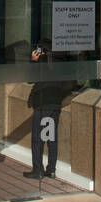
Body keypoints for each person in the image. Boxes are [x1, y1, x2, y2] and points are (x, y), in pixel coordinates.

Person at [25, 45, 74, 180]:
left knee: (37, 139)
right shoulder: (61, 63)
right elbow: (69, 85)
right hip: (55, 104)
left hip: (42, 104)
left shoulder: (43, 63)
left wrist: (33, 61)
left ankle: (37, 170)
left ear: (43, 51)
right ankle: (51, 170)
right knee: (51, 138)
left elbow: (30, 79)